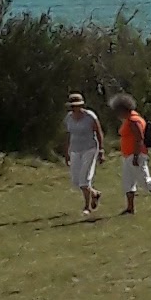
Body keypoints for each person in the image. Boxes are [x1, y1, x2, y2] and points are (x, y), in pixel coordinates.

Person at [113, 92, 151, 216]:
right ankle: (130, 208)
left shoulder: (134, 121)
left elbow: (139, 138)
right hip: (128, 155)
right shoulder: (129, 120)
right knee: (128, 181)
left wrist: (136, 155)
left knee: (145, 180)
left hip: (136, 155)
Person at [62, 90, 104, 218]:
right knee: (76, 181)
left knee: (84, 180)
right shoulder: (68, 118)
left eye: (77, 105)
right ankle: (94, 194)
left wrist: (101, 150)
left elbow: (99, 132)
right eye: (73, 106)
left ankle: (87, 207)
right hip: (75, 149)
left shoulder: (90, 116)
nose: (75, 108)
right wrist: (66, 152)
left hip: (89, 148)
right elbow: (67, 135)